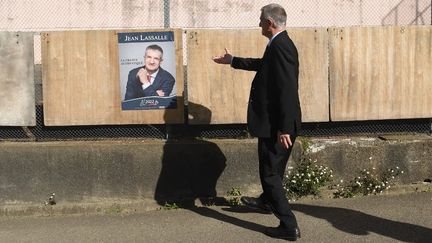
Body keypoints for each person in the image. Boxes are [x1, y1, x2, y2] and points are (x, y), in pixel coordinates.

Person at [212, 3, 302, 241]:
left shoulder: (281, 47)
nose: (259, 23)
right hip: (276, 124)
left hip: (278, 127)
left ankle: (288, 224)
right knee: (275, 170)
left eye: (261, 19)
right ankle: (266, 202)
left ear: (270, 23)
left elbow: (287, 91)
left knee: (270, 174)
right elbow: (263, 66)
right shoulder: (278, 45)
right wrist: (233, 60)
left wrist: (283, 128)